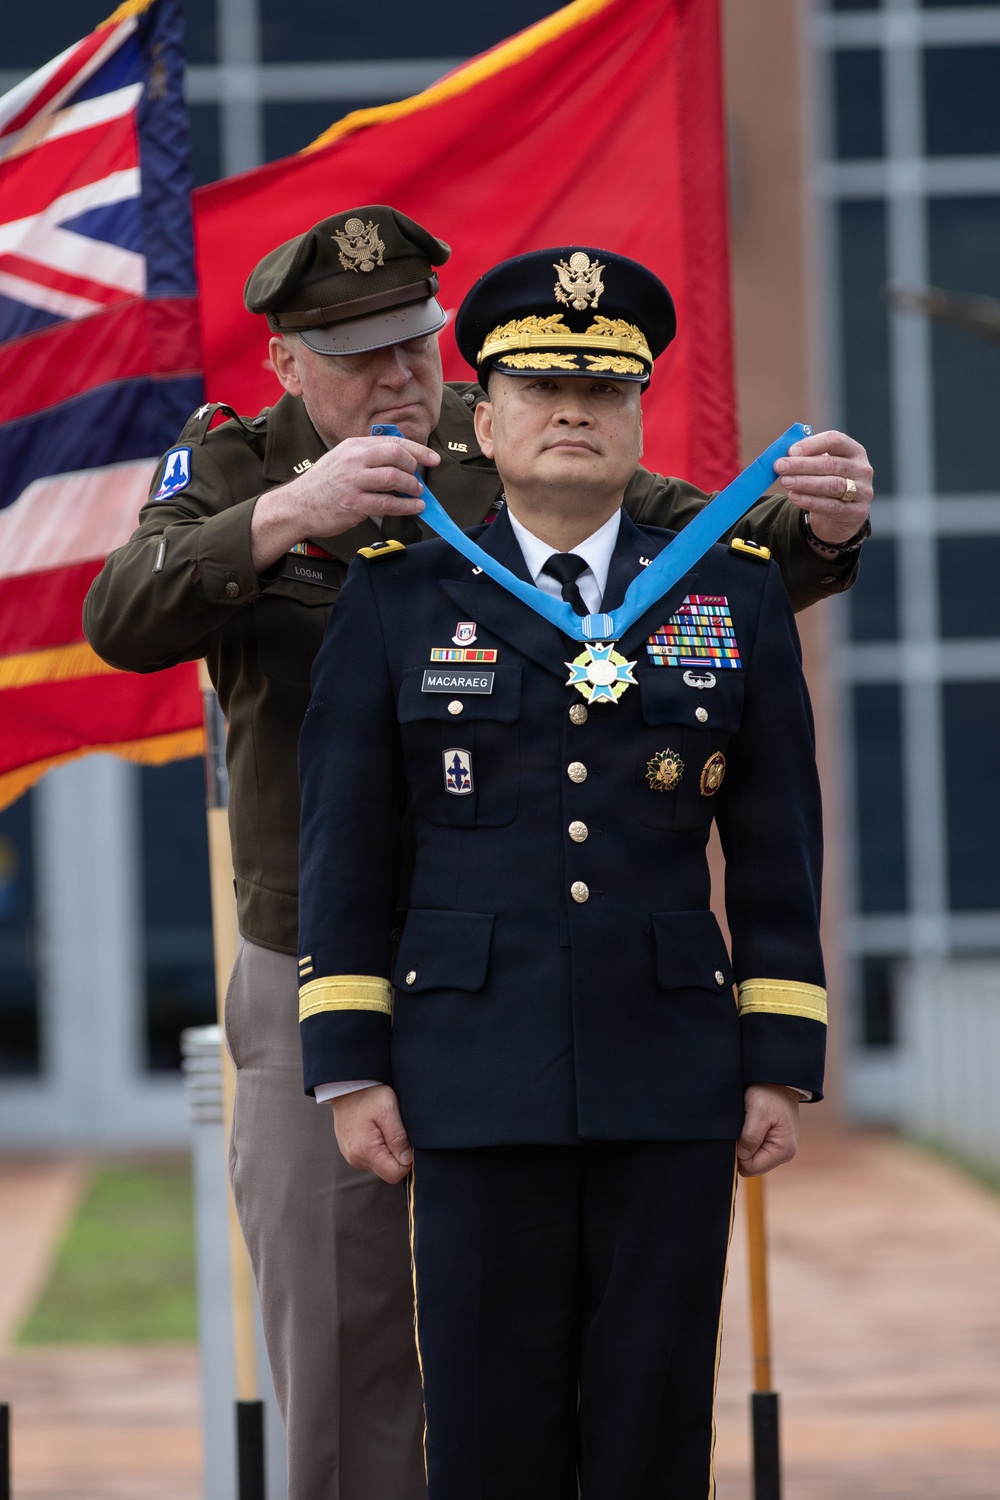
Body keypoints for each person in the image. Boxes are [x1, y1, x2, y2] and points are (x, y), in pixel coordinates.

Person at [83, 204, 869, 1500]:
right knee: (346, 1339)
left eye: (416, 346)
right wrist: (292, 510)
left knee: (569, 1353)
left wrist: (823, 530)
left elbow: (689, 538)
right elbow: (122, 614)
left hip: (525, 968)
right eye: (360, 355)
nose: (400, 379)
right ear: (285, 364)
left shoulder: (495, 434)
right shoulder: (235, 464)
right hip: (313, 952)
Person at [297, 247, 829, 1500]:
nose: (574, 412)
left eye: (604, 391)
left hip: (671, 1066)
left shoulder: (730, 592)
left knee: (651, 1421)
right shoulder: (396, 593)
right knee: (489, 1425)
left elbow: (771, 846)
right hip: (468, 1067)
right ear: (482, 420)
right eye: (539, 388)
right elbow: (346, 845)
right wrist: (350, 1062)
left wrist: (778, 1063)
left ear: (641, 417)